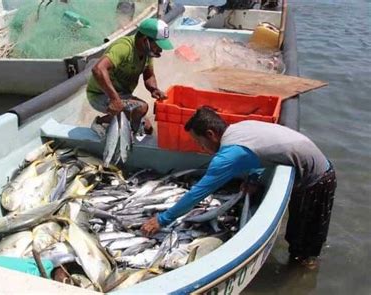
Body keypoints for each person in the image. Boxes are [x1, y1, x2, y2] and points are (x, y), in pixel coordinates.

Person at [141, 106, 337, 269]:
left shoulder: (228, 156)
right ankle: (302, 278)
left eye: (199, 142)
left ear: (211, 134)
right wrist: (254, 178)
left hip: (317, 179)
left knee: (303, 245)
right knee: (297, 235)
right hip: (313, 168)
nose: (201, 148)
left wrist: (162, 219)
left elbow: (197, 194)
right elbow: (263, 152)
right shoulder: (240, 128)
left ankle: (302, 271)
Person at [87, 18, 173, 137]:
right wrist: (114, 99)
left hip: (122, 94)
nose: (160, 50)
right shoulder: (124, 47)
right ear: (145, 40)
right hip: (100, 94)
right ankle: (100, 122)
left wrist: (154, 89)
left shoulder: (147, 52)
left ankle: (129, 127)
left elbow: (148, 75)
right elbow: (98, 69)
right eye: (157, 45)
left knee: (148, 130)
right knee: (142, 107)